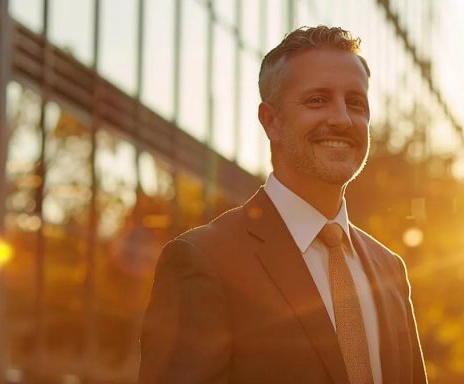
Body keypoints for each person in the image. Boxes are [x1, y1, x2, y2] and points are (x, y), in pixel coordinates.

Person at [139, 26, 428, 384]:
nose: (342, 119)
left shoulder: (390, 271)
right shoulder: (203, 260)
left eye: (355, 102)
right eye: (318, 100)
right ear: (271, 121)